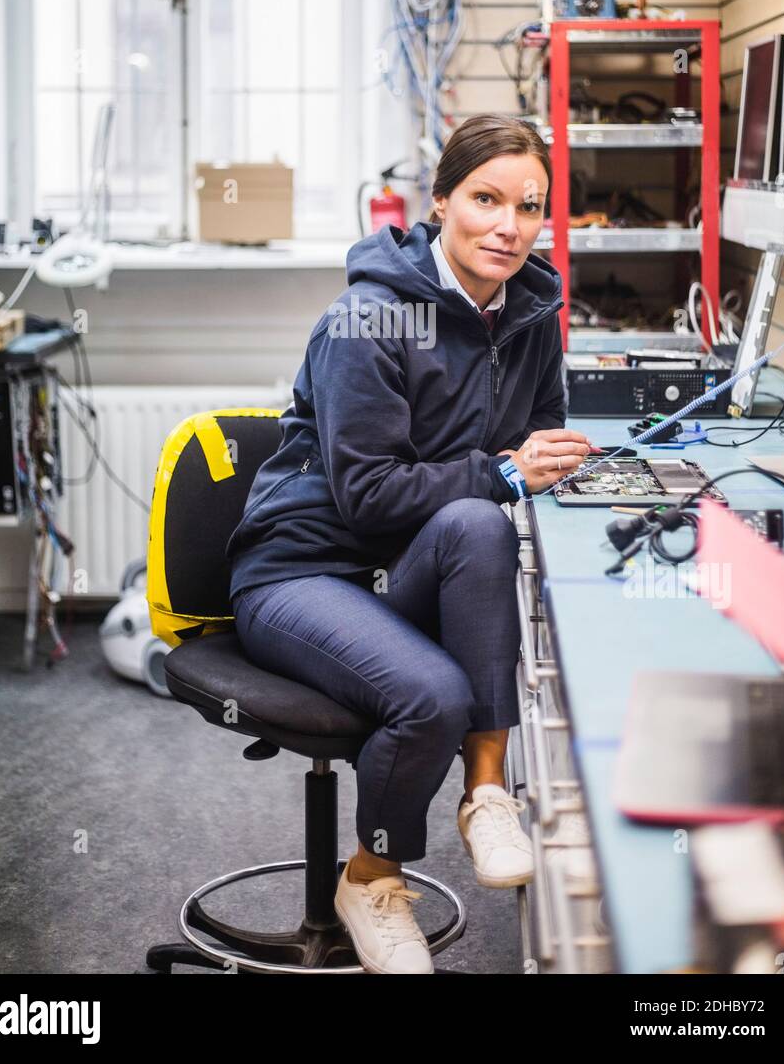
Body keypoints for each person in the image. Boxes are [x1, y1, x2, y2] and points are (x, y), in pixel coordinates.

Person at [226, 113, 595, 973]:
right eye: (486, 199)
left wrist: (541, 465)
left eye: (529, 207)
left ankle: (488, 792)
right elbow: (366, 495)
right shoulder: (368, 320)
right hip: (302, 569)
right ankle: (371, 877)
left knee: (477, 522)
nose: (509, 225)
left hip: (405, 560)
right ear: (440, 203)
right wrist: (506, 472)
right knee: (431, 692)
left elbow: (536, 435)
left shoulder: (534, 310)